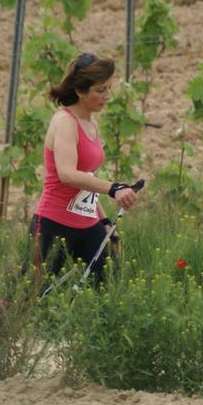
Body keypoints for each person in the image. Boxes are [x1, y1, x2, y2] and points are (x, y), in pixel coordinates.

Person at [31, 52, 140, 287]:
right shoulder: (65, 122)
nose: (107, 96)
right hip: (54, 222)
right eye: (100, 90)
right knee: (28, 296)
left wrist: (104, 220)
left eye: (109, 89)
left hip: (87, 223)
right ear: (81, 91)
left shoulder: (90, 121)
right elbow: (68, 175)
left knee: (109, 282)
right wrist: (114, 188)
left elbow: (86, 178)